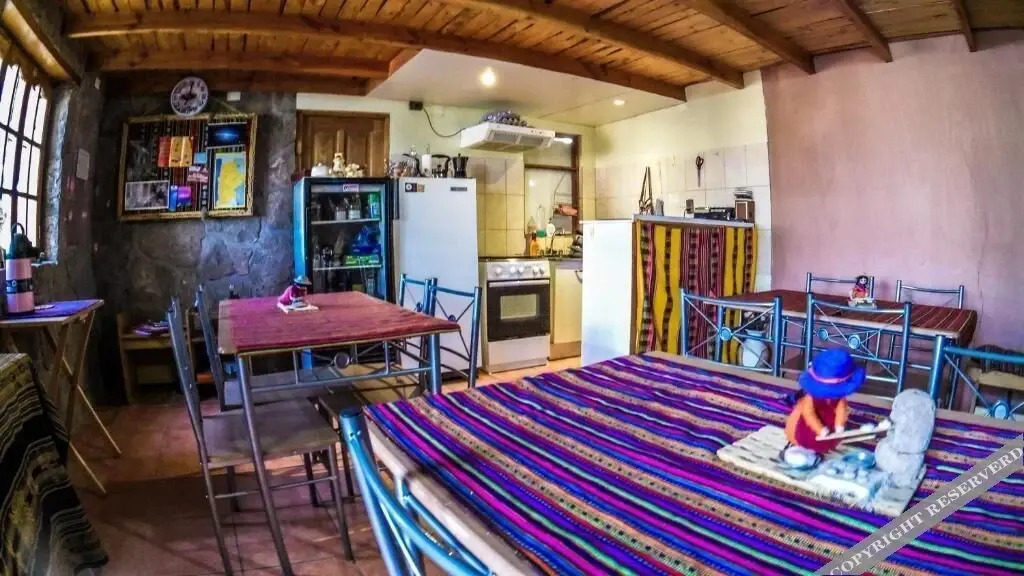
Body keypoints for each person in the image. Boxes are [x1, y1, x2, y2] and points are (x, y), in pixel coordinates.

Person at [782, 348, 865, 468]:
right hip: (806, 425)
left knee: (826, 441)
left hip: (828, 424)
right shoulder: (811, 397)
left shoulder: (839, 398)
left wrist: (839, 426)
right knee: (800, 438)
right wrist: (820, 429)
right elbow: (808, 413)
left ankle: (816, 451)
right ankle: (796, 448)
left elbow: (841, 409)